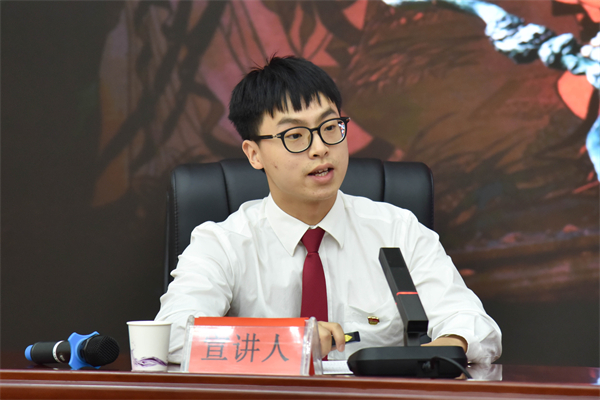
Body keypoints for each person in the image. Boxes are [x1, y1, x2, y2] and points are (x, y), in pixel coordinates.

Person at [155, 56, 501, 364]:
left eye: (330, 127)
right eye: (295, 136)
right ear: (254, 154)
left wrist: (442, 350)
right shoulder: (222, 243)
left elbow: (472, 324)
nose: (320, 148)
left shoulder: (398, 230)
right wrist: (291, 341)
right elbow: (173, 336)